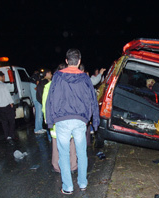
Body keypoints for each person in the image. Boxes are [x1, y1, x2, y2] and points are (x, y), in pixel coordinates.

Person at [46, 49, 100, 195]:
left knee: (63, 154)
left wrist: (50, 121)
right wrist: (94, 121)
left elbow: (50, 99)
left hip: (62, 120)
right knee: (81, 152)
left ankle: (68, 187)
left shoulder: (57, 76)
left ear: (66, 60)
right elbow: (93, 100)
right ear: (79, 61)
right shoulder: (85, 78)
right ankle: (83, 183)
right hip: (80, 120)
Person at [42, 63, 77, 173]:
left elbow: (44, 105)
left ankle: (57, 167)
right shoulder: (71, 85)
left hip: (56, 121)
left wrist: (47, 118)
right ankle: (73, 166)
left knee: (56, 144)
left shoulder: (49, 87)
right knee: (71, 143)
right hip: (69, 119)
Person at [0, 71, 16, 145]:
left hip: (0, 107)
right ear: (0, 77)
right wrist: (11, 103)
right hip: (7, 105)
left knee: (4, 122)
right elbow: (8, 95)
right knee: (11, 121)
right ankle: (11, 135)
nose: (4, 78)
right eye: (3, 77)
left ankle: (6, 136)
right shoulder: (4, 85)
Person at [33, 69, 52, 135]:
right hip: (40, 101)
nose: (51, 75)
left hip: (40, 100)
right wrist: (43, 102)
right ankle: (37, 129)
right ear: (46, 74)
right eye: (50, 73)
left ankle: (40, 128)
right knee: (39, 115)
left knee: (41, 115)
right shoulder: (44, 82)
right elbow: (41, 93)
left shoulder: (43, 81)